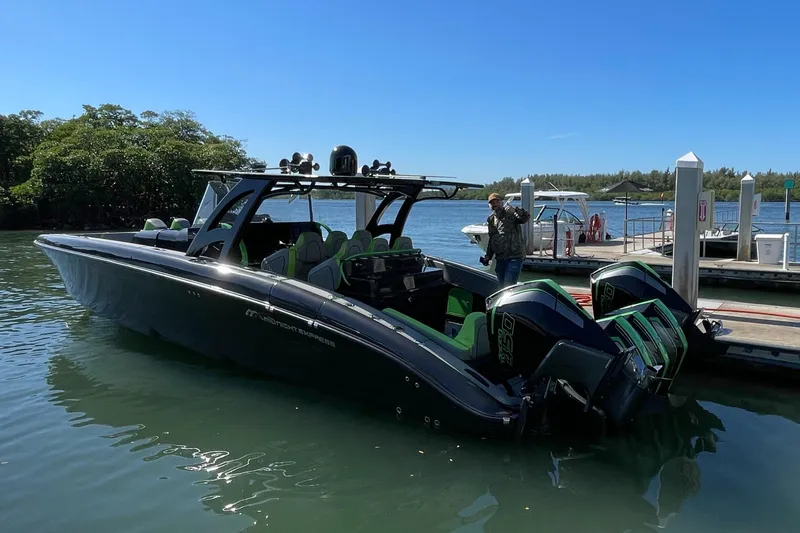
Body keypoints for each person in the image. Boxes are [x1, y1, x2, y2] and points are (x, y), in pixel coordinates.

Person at [479, 193, 530, 286]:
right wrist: (488, 256)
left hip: (514, 257)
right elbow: (492, 239)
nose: (494, 204)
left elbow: (525, 217)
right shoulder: (491, 220)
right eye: (492, 203)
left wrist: (515, 210)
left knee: (508, 286)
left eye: (497, 202)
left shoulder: (511, 213)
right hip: (500, 258)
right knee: (502, 287)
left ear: (501, 202)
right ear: (489, 205)